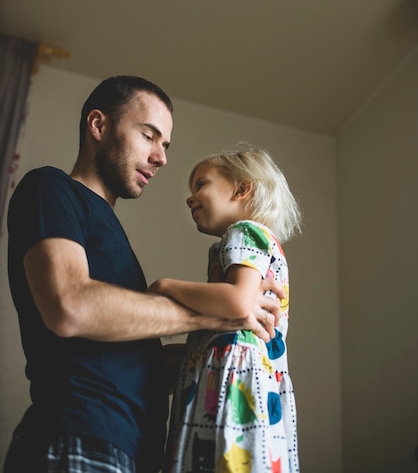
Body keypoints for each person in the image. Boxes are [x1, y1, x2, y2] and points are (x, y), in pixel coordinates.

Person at [4, 76, 285, 473]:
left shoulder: (115, 240)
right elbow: (70, 306)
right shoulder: (51, 188)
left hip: (138, 455)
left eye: (165, 145)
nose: (162, 157)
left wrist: (237, 335)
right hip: (78, 439)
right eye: (149, 135)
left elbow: (136, 359)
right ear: (98, 125)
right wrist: (216, 313)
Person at [148, 144, 302, 473]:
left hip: (233, 385)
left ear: (242, 188)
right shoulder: (259, 241)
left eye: (201, 184)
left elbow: (238, 303)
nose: (191, 198)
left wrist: (164, 287)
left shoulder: (244, 232)